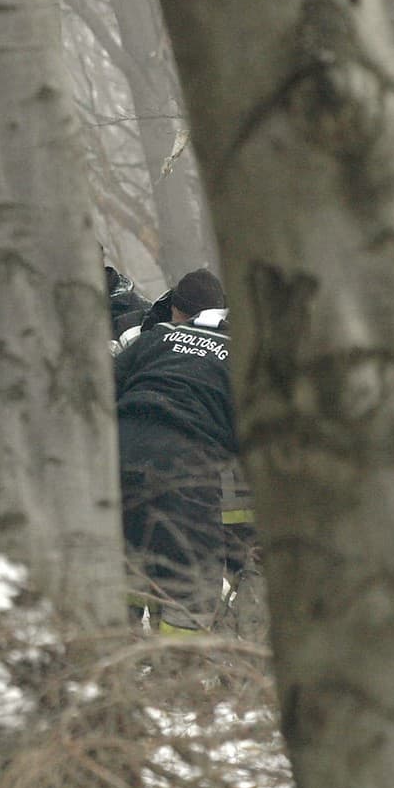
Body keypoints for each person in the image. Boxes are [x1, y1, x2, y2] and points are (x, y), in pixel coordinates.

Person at [113, 268, 234, 633]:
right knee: (191, 582)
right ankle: (181, 674)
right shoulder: (240, 357)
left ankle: (115, 670)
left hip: (120, 456)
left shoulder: (158, 338)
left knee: (124, 568)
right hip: (186, 468)